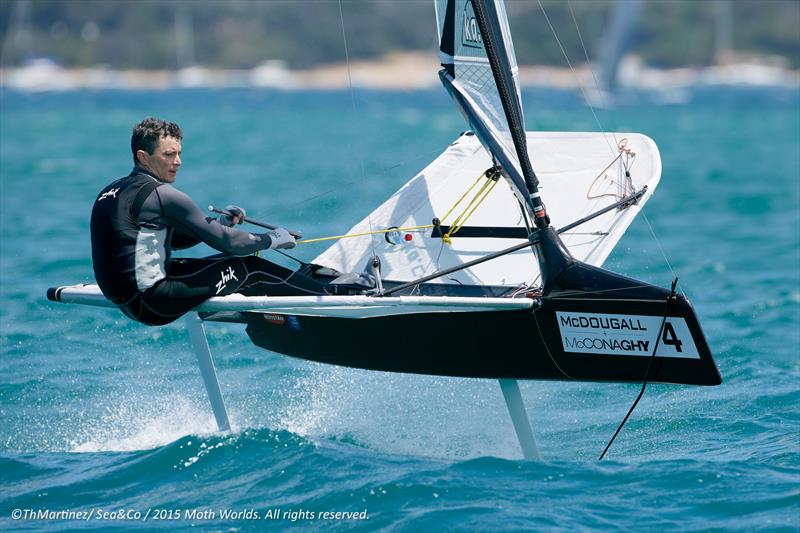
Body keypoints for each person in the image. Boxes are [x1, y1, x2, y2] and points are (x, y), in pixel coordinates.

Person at [90, 117, 328, 326]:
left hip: (128, 301)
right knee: (250, 268)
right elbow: (228, 244)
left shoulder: (110, 191)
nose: (178, 161)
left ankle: (284, 303)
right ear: (143, 157)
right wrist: (271, 240)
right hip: (152, 302)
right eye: (169, 155)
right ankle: (329, 297)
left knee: (230, 265)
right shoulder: (163, 195)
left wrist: (223, 222)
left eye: (179, 153)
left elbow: (170, 240)